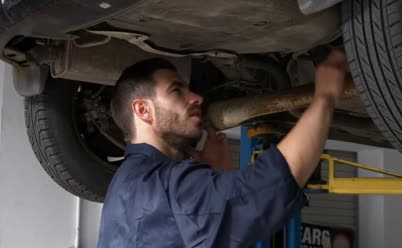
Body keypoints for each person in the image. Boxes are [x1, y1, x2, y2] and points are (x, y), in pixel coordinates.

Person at [97, 50, 347, 248]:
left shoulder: (124, 187)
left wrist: (212, 176)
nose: (197, 97)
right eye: (176, 90)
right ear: (143, 110)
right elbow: (265, 189)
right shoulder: (167, 184)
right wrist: (324, 97)